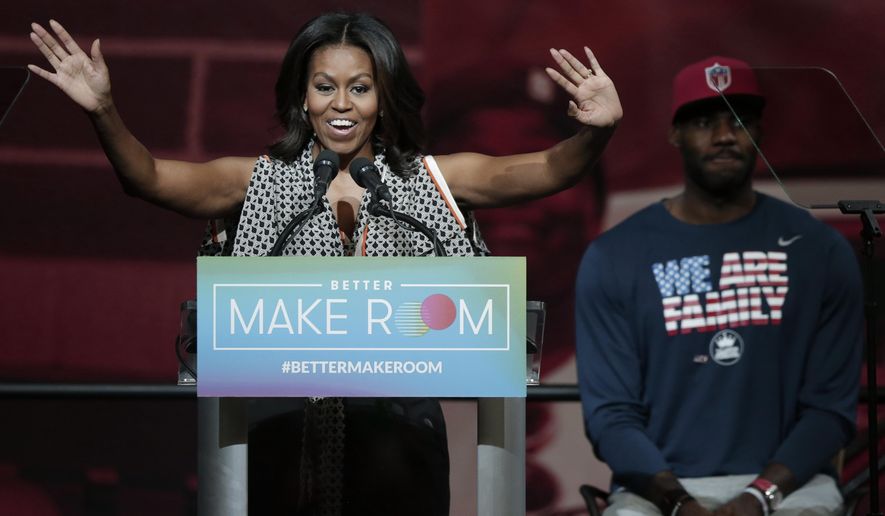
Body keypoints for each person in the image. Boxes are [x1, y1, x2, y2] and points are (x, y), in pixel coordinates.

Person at [29, 12, 622, 515]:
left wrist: (594, 135)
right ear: (301, 96)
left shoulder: (432, 179)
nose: (341, 104)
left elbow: (550, 169)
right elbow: (150, 179)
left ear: (384, 95)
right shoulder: (256, 179)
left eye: (360, 87)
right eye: (324, 86)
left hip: (399, 443)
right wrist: (103, 111)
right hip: (279, 439)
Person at [575, 56, 863, 516]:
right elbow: (611, 415)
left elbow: (830, 410)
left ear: (759, 132)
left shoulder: (819, 251)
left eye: (739, 121)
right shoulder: (615, 257)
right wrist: (677, 502)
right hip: (659, 490)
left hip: (791, 487)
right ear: (674, 134)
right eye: (705, 121)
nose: (725, 136)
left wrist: (759, 495)